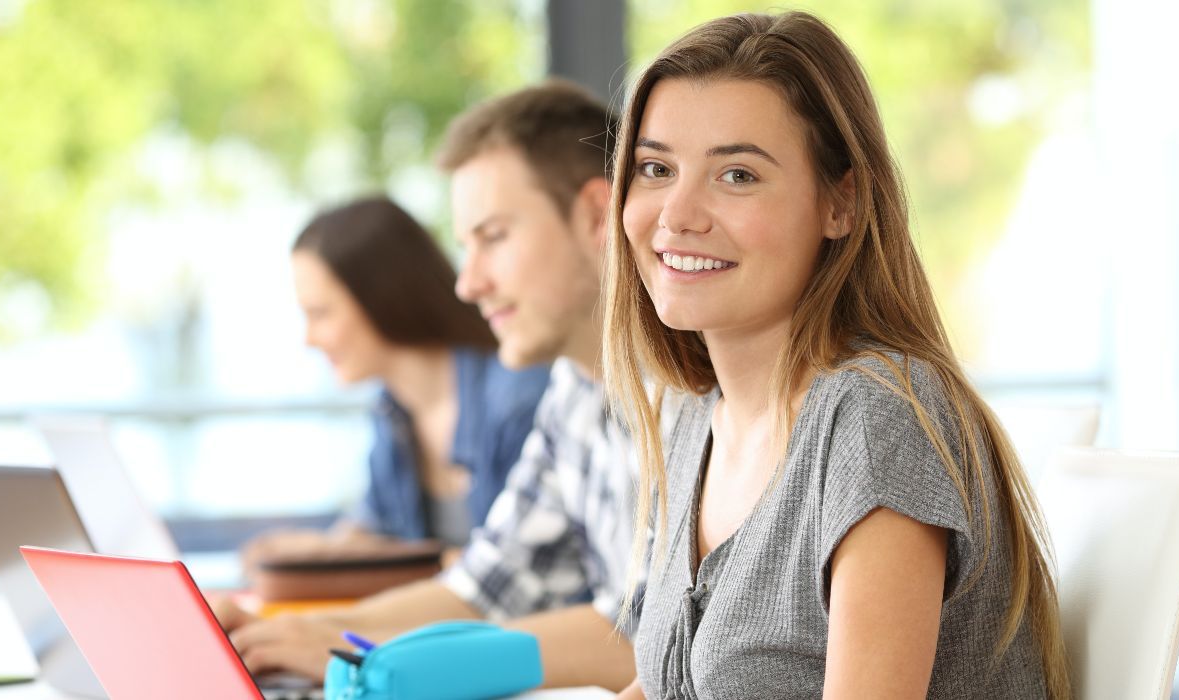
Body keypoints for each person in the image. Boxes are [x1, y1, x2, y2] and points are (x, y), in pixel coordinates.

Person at [604, 11, 1070, 699]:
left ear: (840, 204)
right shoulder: (699, 419)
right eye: (656, 169)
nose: (677, 214)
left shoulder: (877, 418)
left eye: (737, 175)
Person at [217, 82, 658, 692]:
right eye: (465, 246)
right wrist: (304, 632)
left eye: (494, 236)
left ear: (595, 216)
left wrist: (382, 660)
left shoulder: (699, 392)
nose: (468, 284)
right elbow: (484, 587)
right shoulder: (573, 392)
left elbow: (658, 636)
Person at [245, 197, 550, 565]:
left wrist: (400, 564)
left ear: (381, 298)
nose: (309, 339)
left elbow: (518, 569)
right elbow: (375, 529)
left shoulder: (519, 400)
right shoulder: (391, 412)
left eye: (320, 313)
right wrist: (315, 552)